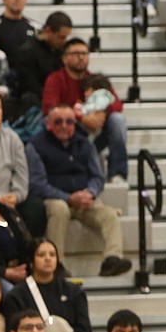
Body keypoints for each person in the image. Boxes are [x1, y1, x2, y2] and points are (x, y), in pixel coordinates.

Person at [25, 104, 131, 276]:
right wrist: (68, 198)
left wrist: (90, 193)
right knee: (59, 209)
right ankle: (57, 263)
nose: (64, 126)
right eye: (58, 122)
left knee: (109, 215)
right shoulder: (36, 145)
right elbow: (37, 184)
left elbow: (98, 177)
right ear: (48, 124)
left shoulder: (85, 144)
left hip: (84, 199)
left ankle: (112, 259)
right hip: (55, 199)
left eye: (69, 121)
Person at [0, 238, 94, 332]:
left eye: (52, 255)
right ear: (31, 261)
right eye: (41, 255)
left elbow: (84, 327)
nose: (48, 259)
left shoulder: (73, 291)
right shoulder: (17, 295)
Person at [41, 37, 129, 183]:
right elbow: (49, 110)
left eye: (84, 53)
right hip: (68, 133)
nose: (81, 57)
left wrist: (100, 113)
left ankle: (117, 173)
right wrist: (82, 118)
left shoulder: (95, 80)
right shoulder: (55, 79)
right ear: (64, 58)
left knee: (118, 119)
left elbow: (117, 104)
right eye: (75, 53)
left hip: (96, 132)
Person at [11, 10, 70, 108]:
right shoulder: (27, 51)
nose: (64, 41)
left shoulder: (60, 50)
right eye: (61, 37)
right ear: (48, 30)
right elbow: (30, 86)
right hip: (36, 103)